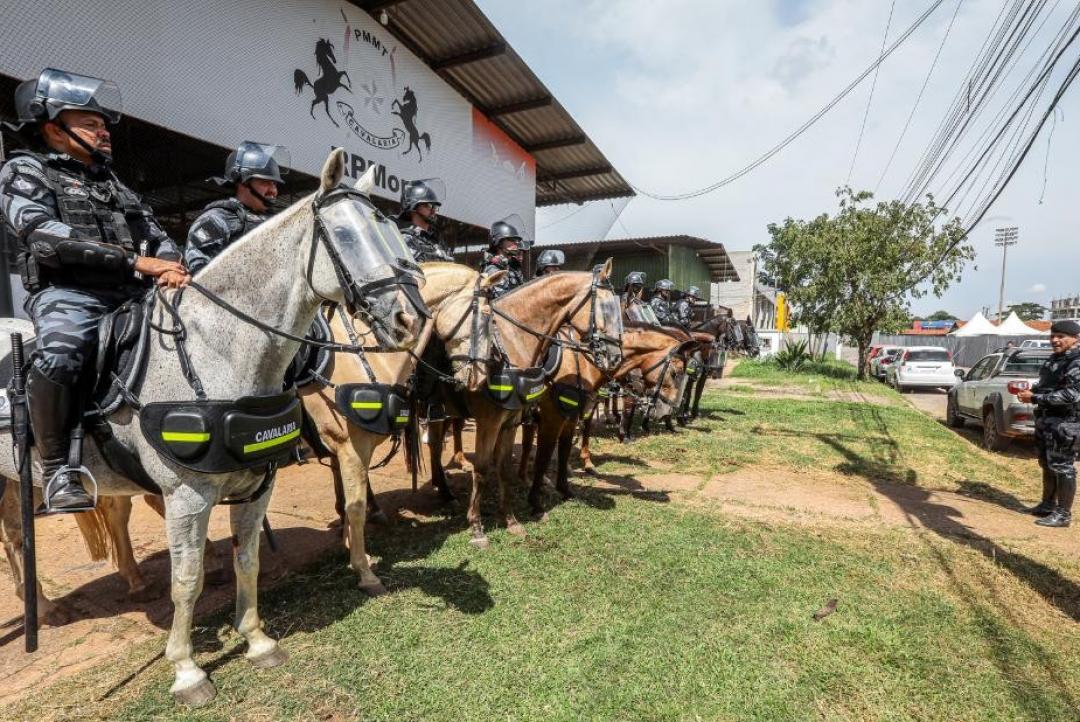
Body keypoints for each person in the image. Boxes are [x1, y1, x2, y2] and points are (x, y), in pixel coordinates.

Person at [0, 68, 188, 513]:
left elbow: (156, 233)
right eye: (90, 123)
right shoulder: (25, 169)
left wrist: (176, 265)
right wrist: (136, 261)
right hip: (69, 293)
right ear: (53, 129)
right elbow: (44, 236)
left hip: (131, 293)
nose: (103, 130)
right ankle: (58, 470)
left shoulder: (112, 182)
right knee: (62, 351)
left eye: (103, 125)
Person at [184, 141, 289, 272]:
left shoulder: (277, 221)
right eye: (265, 182)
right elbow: (200, 276)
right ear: (243, 182)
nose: (273, 190)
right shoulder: (216, 221)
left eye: (274, 184)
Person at [1016, 321, 1080, 528]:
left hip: (1067, 423)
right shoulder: (1055, 359)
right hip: (1047, 421)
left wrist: (1035, 398)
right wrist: (1031, 391)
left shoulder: (1077, 362)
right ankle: (1047, 505)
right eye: (1052, 336)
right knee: (1047, 464)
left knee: (1063, 467)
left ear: (1075, 338)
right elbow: (1046, 385)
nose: (1055, 340)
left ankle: (1063, 515)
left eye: (1061, 336)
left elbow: (1072, 395)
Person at [398, 178, 453, 263]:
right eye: (429, 205)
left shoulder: (436, 240)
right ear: (413, 206)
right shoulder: (403, 238)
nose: (433, 211)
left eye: (435, 207)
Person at [481, 214, 529, 298]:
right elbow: (502, 301)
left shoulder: (512, 269)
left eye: (517, 240)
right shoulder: (493, 269)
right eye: (511, 239)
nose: (516, 243)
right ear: (498, 242)